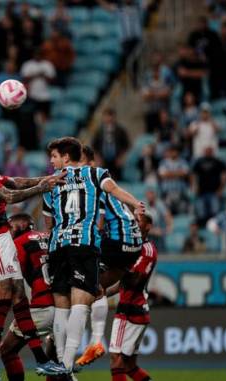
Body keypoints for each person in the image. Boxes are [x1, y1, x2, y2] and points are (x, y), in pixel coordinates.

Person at [0, 125, 67, 380]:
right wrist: (42, 188)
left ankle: (41, 361)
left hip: (2, 237)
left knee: (18, 296)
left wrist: (45, 180)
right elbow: (7, 196)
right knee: (5, 298)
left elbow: (14, 181)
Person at [43, 137, 144, 372]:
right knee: (81, 301)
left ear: (66, 157)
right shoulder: (95, 175)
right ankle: (68, 363)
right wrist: (135, 203)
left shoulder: (50, 183)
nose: (51, 161)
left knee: (61, 306)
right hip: (84, 244)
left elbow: (48, 224)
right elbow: (115, 190)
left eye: (55, 156)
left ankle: (58, 361)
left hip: (58, 246)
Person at [76, 144, 143, 367]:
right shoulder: (100, 182)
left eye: (82, 162)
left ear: (92, 164)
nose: (79, 167)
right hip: (132, 244)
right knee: (98, 287)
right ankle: (93, 340)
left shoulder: (95, 183)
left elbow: (100, 222)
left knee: (88, 283)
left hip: (118, 241)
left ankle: (94, 341)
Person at [0, 214, 58, 381]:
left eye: (10, 227)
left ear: (24, 224)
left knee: (7, 350)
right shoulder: (50, 237)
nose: (8, 232)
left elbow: (14, 284)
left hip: (42, 307)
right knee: (55, 362)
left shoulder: (18, 243)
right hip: (64, 306)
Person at [106, 213, 157, 381]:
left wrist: (118, 266)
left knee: (116, 359)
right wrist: (103, 293)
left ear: (148, 226)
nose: (133, 224)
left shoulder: (146, 249)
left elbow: (136, 279)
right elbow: (122, 282)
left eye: (137, 221)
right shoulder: (131, 246)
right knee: (129, 366)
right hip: (132, 309)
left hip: (131, 310)